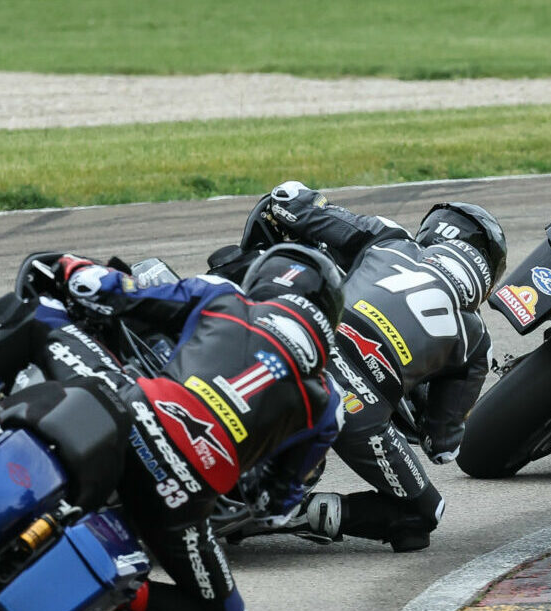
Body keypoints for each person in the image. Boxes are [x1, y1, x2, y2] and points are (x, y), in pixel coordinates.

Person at [0, 244, 344, 611]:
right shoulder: (327, 406)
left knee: (39, 317)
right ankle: (98, 582)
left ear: (264, 282)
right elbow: (272, 506)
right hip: (182, 499)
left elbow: (112, 290)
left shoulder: (224, 297)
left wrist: (69, 267)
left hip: (132, 417)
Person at [216, 182, 504, 551]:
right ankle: (301, 514)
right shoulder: (476, 340)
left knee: (235, 275)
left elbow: (292, 204)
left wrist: (299, 201)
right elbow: (441, 445)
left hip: (296, 344)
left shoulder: (389, 238)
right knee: (422, 515)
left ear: (437, 234)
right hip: (357, 412)